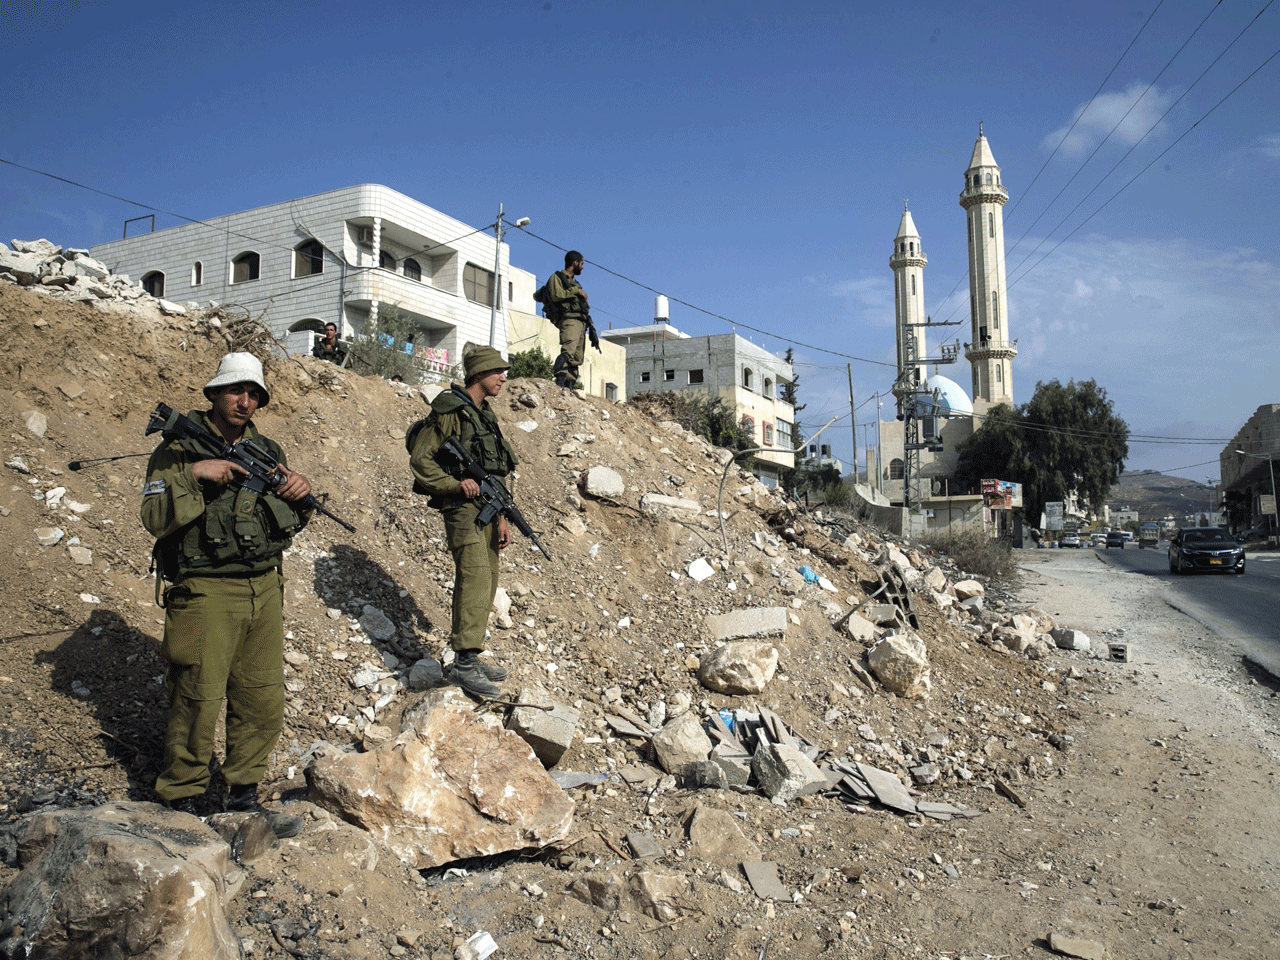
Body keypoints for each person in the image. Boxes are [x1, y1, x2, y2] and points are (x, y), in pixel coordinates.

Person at [140, 352, 311, 838]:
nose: (245, 400)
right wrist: (194, 475)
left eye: (254, 393)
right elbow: (152, 516)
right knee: (196, 697)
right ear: (214, 393)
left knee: (261, 700)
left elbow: (283, 521)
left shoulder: (266, 448)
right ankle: (182, 803)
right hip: (206, 589)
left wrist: (298, 491)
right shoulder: (178, 445)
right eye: (236, 390)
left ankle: (241, 799)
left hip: (264, 586)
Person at [409, 346, 518, 699]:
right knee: (474, 577)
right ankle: (463, 663)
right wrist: (454, 484)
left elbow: (495, 472)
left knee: (488, 580)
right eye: (497, 371)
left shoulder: (484, 415)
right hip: (462, 508)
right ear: (479, 374)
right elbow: (422, 459)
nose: (504, 377)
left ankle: (471, 654)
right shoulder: (449, 410)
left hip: (487, 509)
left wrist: (501, 517)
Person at [544, 251, 588, 389]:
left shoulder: (574, 282)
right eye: (581, 263)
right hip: (569, 319)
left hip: (580, 321)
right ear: (575, 262)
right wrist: (576, 291)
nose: (582, 267)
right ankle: (560, 381)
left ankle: (570, 384)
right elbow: (557, 295)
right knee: (568, 351)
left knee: (577, 358)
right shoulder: (556, 278)